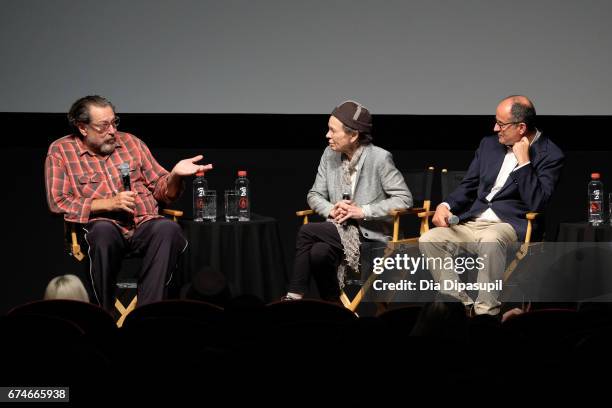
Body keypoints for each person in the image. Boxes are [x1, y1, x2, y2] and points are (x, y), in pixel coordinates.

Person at [45, 95, 212, 311]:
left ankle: (147, 315)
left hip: (144, 224)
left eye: (114, 122)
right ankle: (103, 314)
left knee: (167, 229)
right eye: (103, 126)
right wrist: (109, 203)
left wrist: (175, 176)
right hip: (103, 227)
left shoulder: (131, 143)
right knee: (102, 232)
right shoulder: (61, 151)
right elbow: (58, 202)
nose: (112, 131)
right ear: (83, 128)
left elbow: (163, 191)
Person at [419, 95, 564, 316]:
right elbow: (468, 185)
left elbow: (538, 203)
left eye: (501, 124)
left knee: (490, 240)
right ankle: (460, 307)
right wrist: (445, 204)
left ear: (522, 127)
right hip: (473, 220)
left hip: (510, 225)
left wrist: (524, 163)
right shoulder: (488, 145)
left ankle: (486, 314)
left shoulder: (550, 154)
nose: (495, 128)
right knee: (430, 239)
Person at [283, 100, 412, 302]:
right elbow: (314, 194)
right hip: (338, 230)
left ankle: (294, 295)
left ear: (353, 135)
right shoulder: (329, 155)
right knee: (318, 253)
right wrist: (332, 209)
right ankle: (334, 307)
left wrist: (363, 211)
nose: (327, 135)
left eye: (332, 131)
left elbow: (404, 199)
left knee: (307, 231)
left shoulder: (379, 158)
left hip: (371, 236)